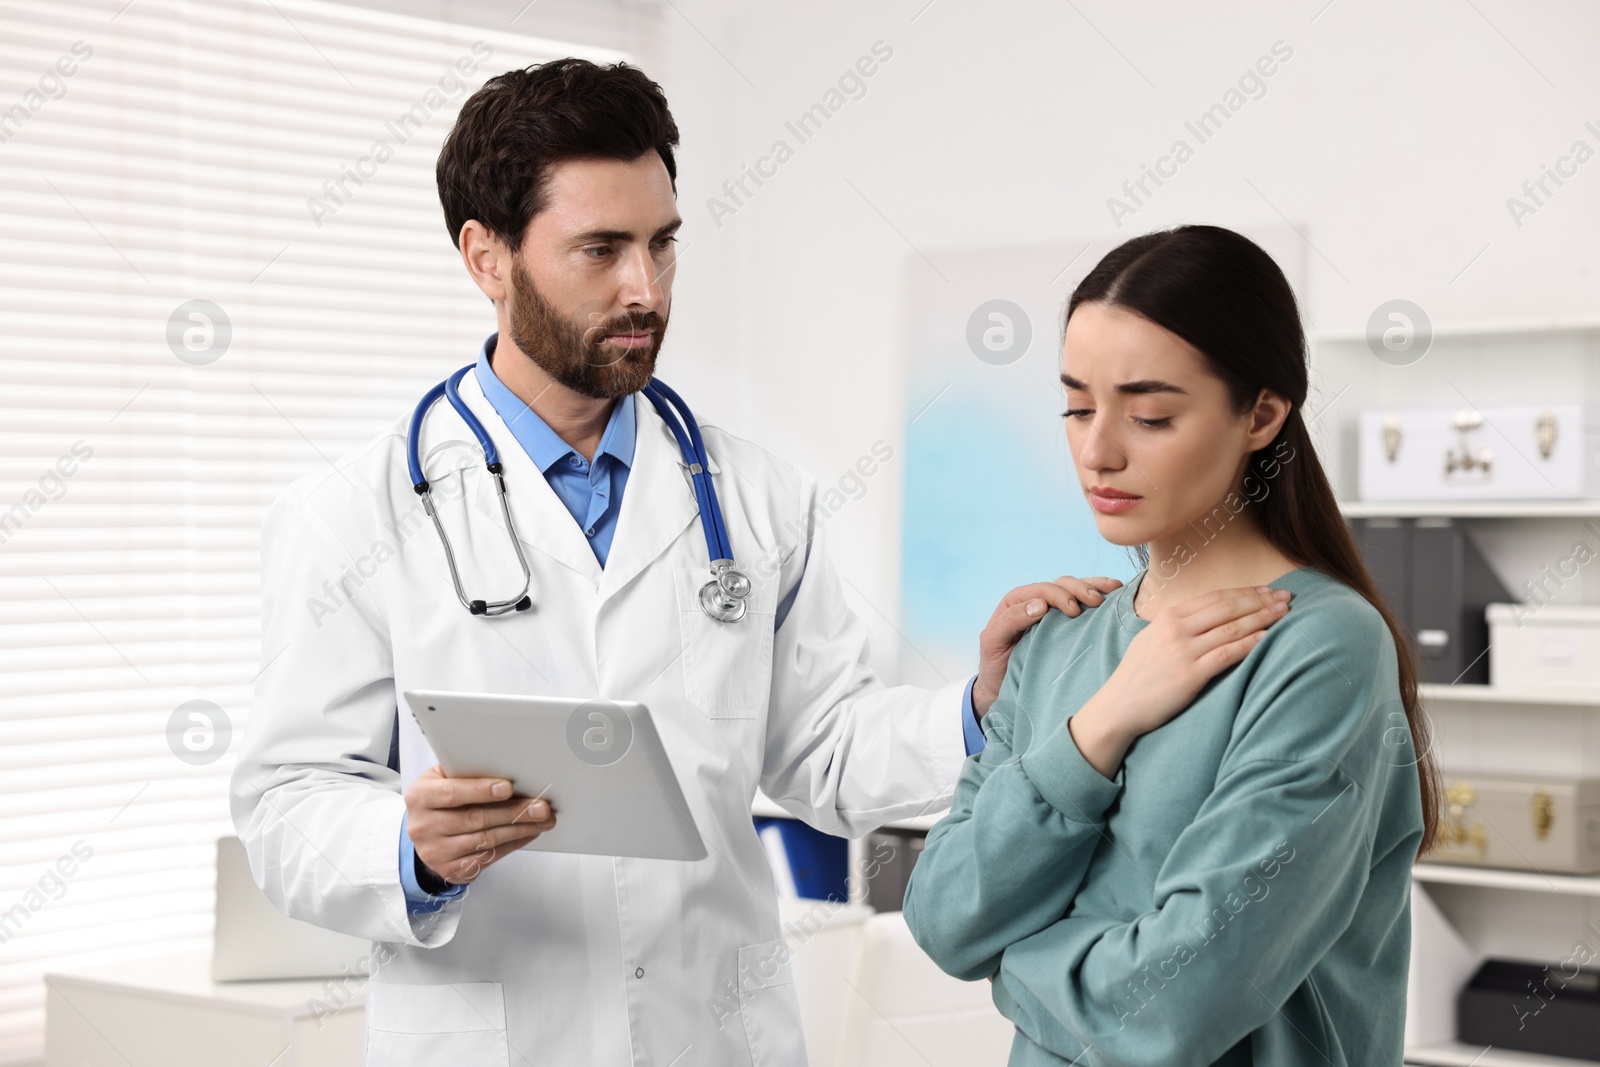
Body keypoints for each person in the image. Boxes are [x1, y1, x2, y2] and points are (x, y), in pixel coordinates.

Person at [230, 59, 1153, 1066]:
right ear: (486, 257)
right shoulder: (349, 517)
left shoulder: (756, 497)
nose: (645, 288)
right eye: (601, 249)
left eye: (662, 244)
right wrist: (405, 848)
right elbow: (285, 805)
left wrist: (980, 702)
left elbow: (822, 750)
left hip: (713, 1032)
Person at [902, 224, 1437, 1067]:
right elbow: (940, 916)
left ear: (1260, 413)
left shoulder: (1322, 646)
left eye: (1150, 414)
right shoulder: (1057, 636)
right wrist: (1099, 725)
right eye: (1077, 406)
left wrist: (1012, 963)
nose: (1097, 450)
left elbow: (1173, 1006)